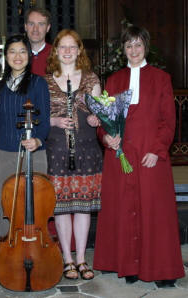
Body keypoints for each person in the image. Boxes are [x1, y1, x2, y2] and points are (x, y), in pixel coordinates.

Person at [93, 26, 185, 286]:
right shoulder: (113, 80)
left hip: (149, 155)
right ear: (123, 49)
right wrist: (106, 137)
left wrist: (158, 151)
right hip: (121, 156)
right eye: (128, 45)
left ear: (145, 46)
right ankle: (128, 265)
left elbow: (168, 121)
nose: (133, 50)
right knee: (123, 210)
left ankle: (162, 270)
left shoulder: (161, 78)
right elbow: (104, 120)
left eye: (138, 45)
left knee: (155, 212)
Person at [45, 29, 102, 280]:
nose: (67, 51)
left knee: (83, 206)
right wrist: (54, 121)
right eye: (62, 47)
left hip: (87, 148)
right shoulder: (44, 81)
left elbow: (104, 114)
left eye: (72, 47)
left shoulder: (91, 79)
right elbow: (36, 119)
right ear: (56, 50)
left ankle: (81, 259)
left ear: (79, 50)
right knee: (61, 206)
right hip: (57, 148)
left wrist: (96, 118)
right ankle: (66, 259)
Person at [0, 34, 50, 239]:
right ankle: (7, 247)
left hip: (33, 153)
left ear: (29, 55)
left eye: (22, 51)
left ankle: (36, 246)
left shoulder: (39, 83)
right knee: (7, 204)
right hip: (5, 153)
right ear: (6, 56)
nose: (17, 56)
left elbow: (44, 119)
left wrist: (38, 139)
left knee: (35, 203)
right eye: (12, 51)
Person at [24, 7, 52, 76]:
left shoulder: (56, 54)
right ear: (25, 27)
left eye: (41, 24)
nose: (35, 29)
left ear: (48, 28)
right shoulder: (17, 55)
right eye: (31, 24)